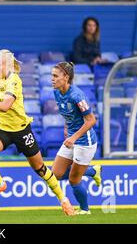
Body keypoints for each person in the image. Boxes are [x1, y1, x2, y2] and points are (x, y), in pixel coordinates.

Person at [0, 49, 75, 216]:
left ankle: (64, 200)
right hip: (3, 128)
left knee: (40, 169)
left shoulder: (14, 81)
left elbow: (5, 106)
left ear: (8, 65)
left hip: (21, 130)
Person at [50, 62, 102, 215]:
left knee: (74, 180)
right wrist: (67, 126)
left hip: (85, 141)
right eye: (51, 76)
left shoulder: (77, 95)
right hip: (72, 138)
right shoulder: (57, 92)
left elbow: (91, 120)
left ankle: (85, 210)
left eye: (55, 76)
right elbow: (68, 113)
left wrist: (74, 137)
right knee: (56, 175)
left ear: (66, 77)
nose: (51, 79)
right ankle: (92, 171)